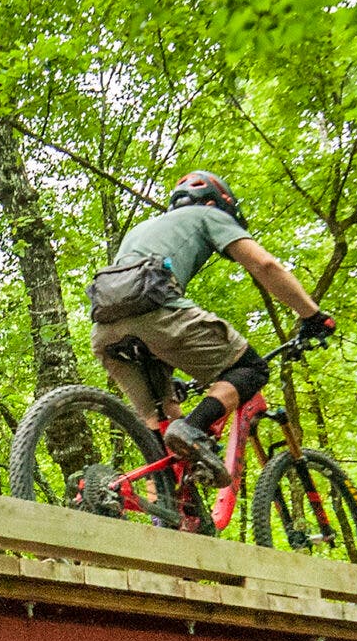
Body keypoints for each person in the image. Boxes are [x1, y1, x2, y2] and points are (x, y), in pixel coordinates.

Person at [86, 172, 334, 486]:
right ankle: (193, 427)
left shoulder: (142, 229)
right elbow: (265, 265)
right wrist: (312, 316)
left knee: (161, 423)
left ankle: (167, 512)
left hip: (106, 332)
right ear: (218, 201)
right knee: (250, 369)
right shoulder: (208, 214)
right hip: (158, 315)